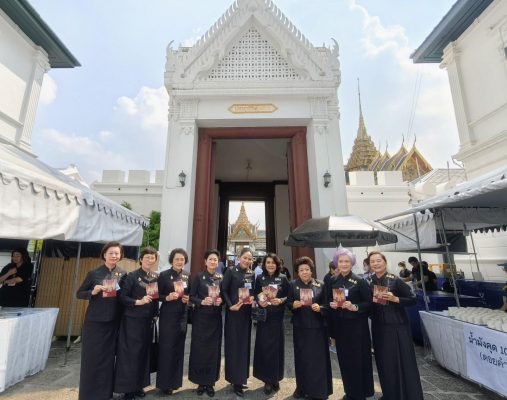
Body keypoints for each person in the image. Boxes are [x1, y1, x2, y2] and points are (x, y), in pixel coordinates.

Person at [368, 251, 424, 400]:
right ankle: (389, 394)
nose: (375, 263)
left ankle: (407, 395)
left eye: (378, 260)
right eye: (372, 261)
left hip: (397, 327)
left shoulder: (395, 280)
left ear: (385, 262)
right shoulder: (369, 282)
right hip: (379, 327)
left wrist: (396, 299)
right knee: (384, 362)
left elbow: (412, 299)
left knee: (402, 361)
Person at [76, 241, 126, 400]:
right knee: (92, 358)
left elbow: (124, 297)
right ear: (104, 254)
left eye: (117, 253)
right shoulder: (94, 273)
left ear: (120, 256)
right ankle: (89, 394)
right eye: (111, 253)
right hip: (95, 323)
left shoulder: (123, 274)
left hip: (113, 322)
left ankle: (105, 393)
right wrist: (93, 291)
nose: (114, 256)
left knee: (108, 359)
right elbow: (79, 293)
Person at [327, 248, 374, 400]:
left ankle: (361, 394)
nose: (344, 264)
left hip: (357, 328)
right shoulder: (332, 280)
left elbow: (369, 303)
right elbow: (328, 302)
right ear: (337, 263)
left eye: (347, 261)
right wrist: (332, 304)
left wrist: (355, 307)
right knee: (344, 361)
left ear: (352, 263)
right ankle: (350, 392)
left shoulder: (360, 281)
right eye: (341, 261)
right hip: (340, 327)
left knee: (359, 360)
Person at [114, 247, 160, 400]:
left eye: (152, 258)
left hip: (147, 322)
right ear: (141, 259)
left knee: (143, 354)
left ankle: (139, 385)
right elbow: (123, 297)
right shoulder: (131, 276)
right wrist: (137, 302)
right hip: (132, 321)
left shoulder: (155, 277)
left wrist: (156, 314)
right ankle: (128, 389)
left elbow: (155, 299)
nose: (149, 260)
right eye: (147, 257)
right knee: (130, 355)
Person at [287, 256, 332, 400]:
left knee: (318, 359)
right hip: (300, 327)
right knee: (302, 358)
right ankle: (302, 388)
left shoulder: (321, 284)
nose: (304, 272)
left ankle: (318, 391)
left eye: (307, 269)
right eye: (301, 270)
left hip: (318, 328)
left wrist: (321, 308)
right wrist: (293, 305)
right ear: (297, 272)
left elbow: (328, 304)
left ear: (311, 270)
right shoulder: (293, 285)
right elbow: (288, 303)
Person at [252, 253, 290, 395]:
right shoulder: (260, 278)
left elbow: (289, 296)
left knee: (277, 349)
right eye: (268, 262)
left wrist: (280, 300)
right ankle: (267, 380)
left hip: (277, 318)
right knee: (264, 348)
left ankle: (276, 378)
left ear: (277, 264)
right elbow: (255, 293)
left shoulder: (283, 278)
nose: (270, 265)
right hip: (264, 318)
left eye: (273, 262)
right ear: (264, 264)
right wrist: (259, 300)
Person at [188, 249, 223, 397]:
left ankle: (210, 382)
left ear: (218, 262)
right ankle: (200, 382)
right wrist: (202, 301)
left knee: (213, 350)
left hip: (215, 318)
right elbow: (191, 296)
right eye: (210, 259)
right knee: (199, 349)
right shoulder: (198, 277)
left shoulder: (221, 277)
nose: (213, 262)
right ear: (205, 261)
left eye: (215, 260)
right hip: (201, 318)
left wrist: (221, 301)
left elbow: (224, 295)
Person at [221, 247, 255, 397]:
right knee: (234, 346)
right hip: (234, 314)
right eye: (245, 257)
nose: (247, 260)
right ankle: (236, 381)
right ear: (239, 257)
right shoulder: (230, 271)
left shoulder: (251, 273)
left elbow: (253, 291)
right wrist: (230, 306)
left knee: (244, 345)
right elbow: (223, 290)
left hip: (246, 314)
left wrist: (253, 297)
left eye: (249, 258)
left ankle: (241, 377)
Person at [156, 248, 191, 395]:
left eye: (182, 259)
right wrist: (167, 297)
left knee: (178, 348)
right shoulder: (164, 275)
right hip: (168, 316)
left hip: (182, 316)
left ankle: (175, 382)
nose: (179, 262)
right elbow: (156, 295)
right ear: (172, 260)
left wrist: (187, 299)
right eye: (177, 259)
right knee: (166, 348)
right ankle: (164, 384)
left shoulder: (187, 275)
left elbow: (189, 294)